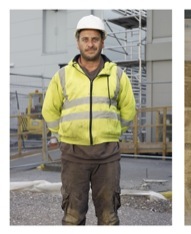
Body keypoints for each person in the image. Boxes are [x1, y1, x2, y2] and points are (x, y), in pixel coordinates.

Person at [42, 14, 136, 225]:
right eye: (85, 39)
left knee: (108, 217)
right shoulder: (63, 76)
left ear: (103, 41)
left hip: (107, 156)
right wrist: (62, 136)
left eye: (95, 39)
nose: (90, 44)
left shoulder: (117, 76)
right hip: (74, 155)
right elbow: (50, 111)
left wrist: (112, 133)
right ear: (78, 42)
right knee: (73, 217)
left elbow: (128, 111)